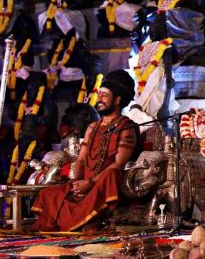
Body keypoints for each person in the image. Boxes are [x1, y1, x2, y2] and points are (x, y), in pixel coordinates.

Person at [31, 70, 138, 231]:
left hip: (103, 184)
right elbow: (81, 159)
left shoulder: (126, 127)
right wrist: (77, 183)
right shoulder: (92, 127)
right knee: (49, 193)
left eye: (104, 95)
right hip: (85, 183)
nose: (99, 99)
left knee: (112, 174)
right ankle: (82, 218)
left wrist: (90, 183)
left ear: (117, 99)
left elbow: (118, 164)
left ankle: (89, 218)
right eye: (99, 94)